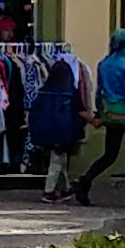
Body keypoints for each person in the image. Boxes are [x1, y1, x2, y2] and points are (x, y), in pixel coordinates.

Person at [67, 26, 125, 205]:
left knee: (109, 154)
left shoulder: (104, 64)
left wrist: (101, 111)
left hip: (111, 115)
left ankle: (85, 180)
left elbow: (100, 91)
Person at [27, 46, 84, 194]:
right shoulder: (68, 94)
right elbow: (79, 110)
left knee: (59, 160)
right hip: (63, 133)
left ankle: (65, 187)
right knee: (57, 161)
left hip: (45, 133)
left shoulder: (43, 93)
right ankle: (49, 191)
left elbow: (34, 112)